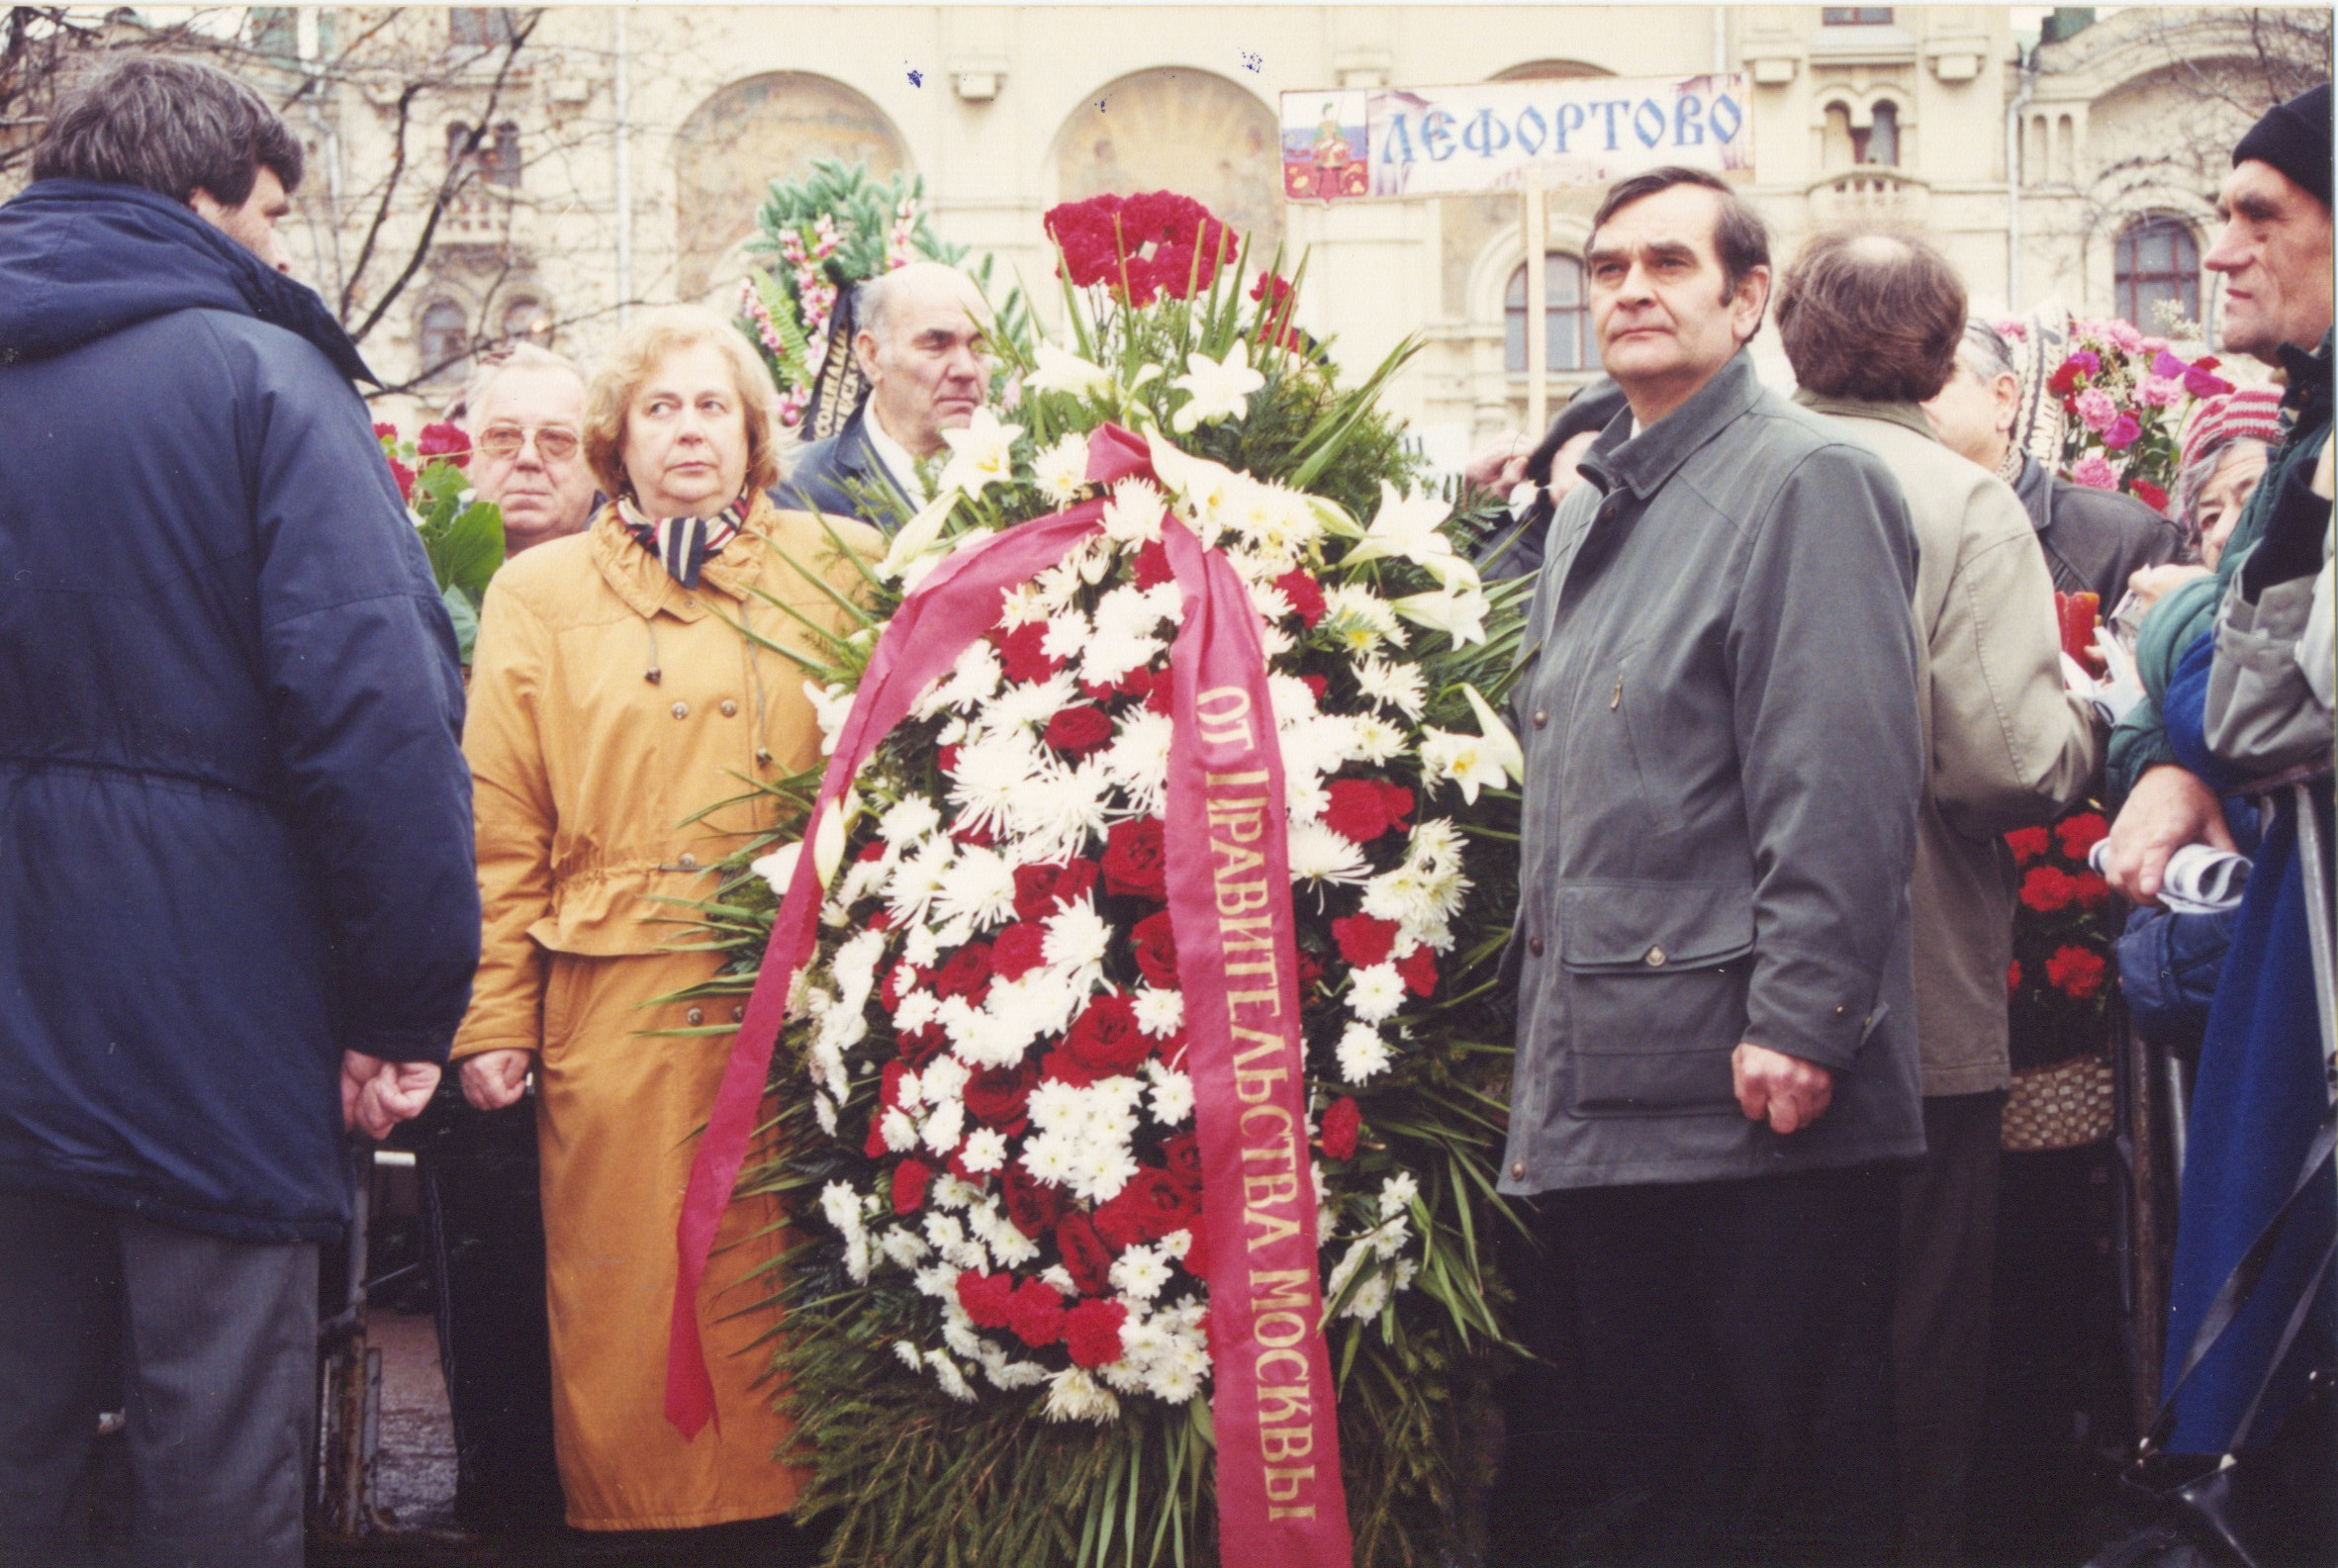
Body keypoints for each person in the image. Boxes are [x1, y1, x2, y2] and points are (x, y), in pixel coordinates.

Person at [0, 56, 478, 1567]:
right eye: (271, 211)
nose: (282, 248)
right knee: (217, 1441)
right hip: (213, 1013)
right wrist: (406, 1005)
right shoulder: (262, 380)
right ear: (201, 199)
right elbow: (375, 721)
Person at [1490, 167, 1926, 1567]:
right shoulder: (1589, 505)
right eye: (1603, 267)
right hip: (1615, 1078)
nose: (1626, 289)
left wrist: (1800, 1022)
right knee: (1659, 1487)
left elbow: (1840, 776)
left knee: (1778, 1489)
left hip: (1751, 1102)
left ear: (1745, 301)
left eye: (1666, 264)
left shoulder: (1805, 482)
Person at [453, 304, 880, 1561]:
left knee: (784, 1317)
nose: (686, 430)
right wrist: (491, 1018)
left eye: (710, 407)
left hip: (797, 1017)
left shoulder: (844, 562)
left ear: (754, 434)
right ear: (615, 439)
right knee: (633, 1324)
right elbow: (499, 828)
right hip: (613, 1022)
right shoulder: (536, 591)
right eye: (659, 408)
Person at [1775, 229, 2101, 1566]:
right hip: (1907, 995)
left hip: (1709, 998)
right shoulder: (1960, 500)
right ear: (1941, 345)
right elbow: (2002, 760)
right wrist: (2095, 724)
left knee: (1768, 1347)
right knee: (1914, 1343)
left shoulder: (1722, 478)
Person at [404, 340, 602, 1538]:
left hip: (581, 976)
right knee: (473, 1259)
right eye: (499, 438)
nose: (526, 463)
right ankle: (498, 1497)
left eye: (557, 441)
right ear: (461, 452)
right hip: (448, 969)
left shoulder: (614, 586)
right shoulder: (413, 585)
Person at [2103, 82, 2331, 906]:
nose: (2217, 252)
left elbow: (2255, 715)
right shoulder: (2307, 420)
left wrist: (2180, 611)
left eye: (2257, 218)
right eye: (2222, 215)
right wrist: (2165, 763)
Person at [1923, 319, 2183, 604]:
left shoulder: (2126, 540)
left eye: (1930, 377)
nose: (1906, 401)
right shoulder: (1876, 532)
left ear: (2003, 398)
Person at [781, 261, 990, 527]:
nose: (966, 369)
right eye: (936, 344)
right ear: (872, 356)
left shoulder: (1031, 479)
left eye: (979, 345)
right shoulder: (799, 489)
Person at [466, 342, 600, 555]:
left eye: (556, 438)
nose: (528, 458)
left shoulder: (647, 574)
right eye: (503, 436)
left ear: (598, 463)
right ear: (472, 457)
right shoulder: (421, 569)